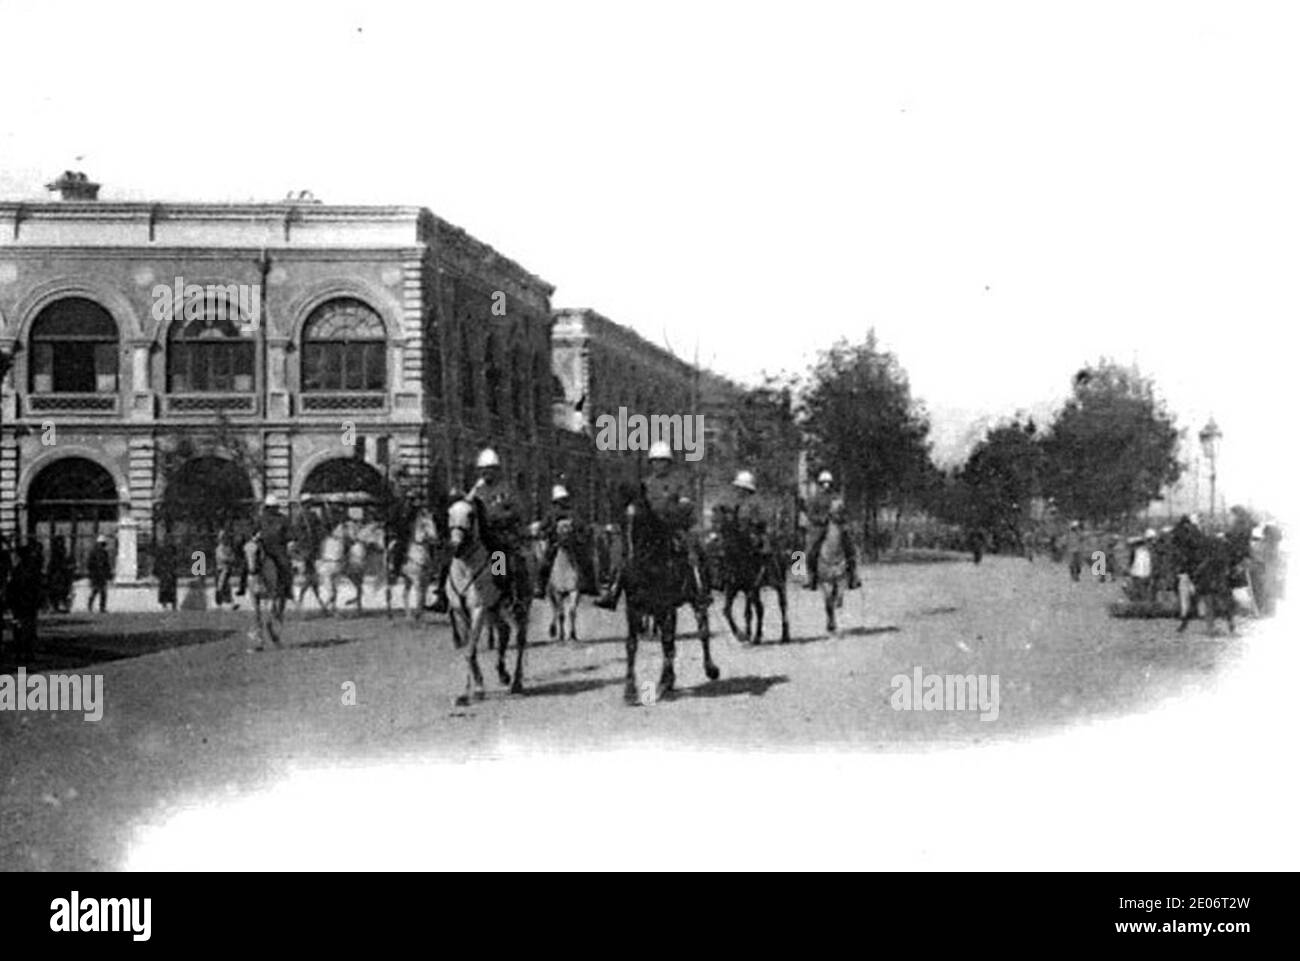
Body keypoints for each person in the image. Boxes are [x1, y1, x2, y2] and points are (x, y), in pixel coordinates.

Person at [595, 440, 706, 610]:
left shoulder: (679, 482)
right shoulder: (645, 484)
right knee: (625, 556)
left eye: (662, 461)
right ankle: (612, 591)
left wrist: (676, 511)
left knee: (692, 552)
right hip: (648, 530)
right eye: (655, 461)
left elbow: (686, 505)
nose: (658, 465)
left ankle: (699, 590)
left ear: (669, 463)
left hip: (673, 527)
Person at [465, 448, 531, 620]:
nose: (485, 473)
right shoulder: (477, 491)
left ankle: (511, 598)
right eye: (482, 470)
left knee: (503, 566)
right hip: (480, 540)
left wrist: (498, 517)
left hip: (500, 540)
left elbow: (518, 511)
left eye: (489, 469)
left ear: (497, 470)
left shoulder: (507, 490)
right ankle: (449, 595)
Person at [803, 470, 859, 590]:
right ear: (820, 484)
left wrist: (840, 519)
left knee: (850, 548)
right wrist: (821, 519)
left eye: (828, 483)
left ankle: (853, 576)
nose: (826, 485)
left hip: (836, 527)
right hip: (820, 528)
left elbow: (843, 513)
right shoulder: (815, 499)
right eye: (823, 483)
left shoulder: (836, 497)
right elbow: (811, 514)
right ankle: (811, 577)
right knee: (811, 551)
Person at [257, 494, 295, 602]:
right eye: (270, 507)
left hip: (279, 550)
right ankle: (250, 585)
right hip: (264, 549)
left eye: (274, 507)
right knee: (250, 564)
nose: (272, 509)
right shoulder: (260, 519)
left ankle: (288, 589)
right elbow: (254, 532)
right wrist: (255, 537)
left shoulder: (283, 519)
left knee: (286, 566)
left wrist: (290, 541)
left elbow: (289, 534)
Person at [87, 535, 113, 612]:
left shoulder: (102, 553)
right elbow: (90, 564)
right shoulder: (96, 553)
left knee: (101, 592)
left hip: (99, 575)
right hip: (97, 574)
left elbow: (106, 564)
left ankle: (98, 607)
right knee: (97, 591)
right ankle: (93, 606)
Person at [155, 534, 178, 611]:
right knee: (168, 589)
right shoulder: (169, 549)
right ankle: (169, 605)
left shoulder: (172, 549)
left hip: (167, 571)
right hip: (167, 571)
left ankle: (168, 605)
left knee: (169, 589)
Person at [214, 528, 236, 607]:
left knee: (226, 586)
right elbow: (222, 558)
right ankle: (224, 602)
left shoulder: (228, 548)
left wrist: (230, 559)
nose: (224, 539)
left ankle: (229, 602)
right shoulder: (219, 548)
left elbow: (233, 557)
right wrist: (229, 559)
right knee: (223, 585)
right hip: (221, 569)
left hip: (227, 569)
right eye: (223, 537)